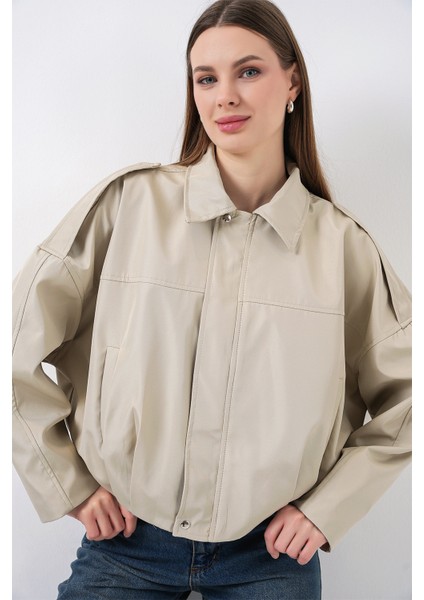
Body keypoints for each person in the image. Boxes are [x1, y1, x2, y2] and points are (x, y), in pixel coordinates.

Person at [12, 0, 411, 598]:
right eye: (206, 78)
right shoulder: (129, 207)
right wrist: (66, 483)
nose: (225, 96)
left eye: (248, 71)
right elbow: (16, 341)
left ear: (293, 82)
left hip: (271, 555)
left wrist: (326, 510)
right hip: (126, 542)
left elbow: (408, 397)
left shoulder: (343, 250)